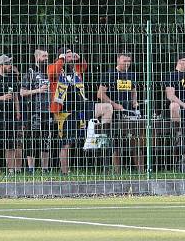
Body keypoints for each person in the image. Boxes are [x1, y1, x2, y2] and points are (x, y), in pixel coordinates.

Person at [49, 47, 113, 175]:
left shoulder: (76, 70)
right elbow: (52, 73)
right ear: (61, 57)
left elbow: (84, 66)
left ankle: (98, 137)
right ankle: (65, 173)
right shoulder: (54, 68)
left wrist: (79, 57)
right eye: (67, 55)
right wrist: (62, 58)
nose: (70, 57)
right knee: (66, 144)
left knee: (107, 108)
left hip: (82, 105)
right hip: (65, 110)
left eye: (71, 55)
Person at [97, 51, 143, 173]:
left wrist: (135, 102)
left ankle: (141, 171)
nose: (127, 64)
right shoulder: (110, 74)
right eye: (124, 61)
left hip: (129, 113)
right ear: (118, 60)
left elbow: (134, 90)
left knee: (136, 140)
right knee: (115, 142)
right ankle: (117, 171)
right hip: (114, 114)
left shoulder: (131, 75)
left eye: (129, 61)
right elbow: (100, 94)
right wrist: (114, 104)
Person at [19, 48, 52, 174]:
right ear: (37, 57)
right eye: (44, 56)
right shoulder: (30, 72)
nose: (46, 58)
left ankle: (45, 169)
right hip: (33, 111)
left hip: (48, 111)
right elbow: (22, 92)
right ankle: (30, 168)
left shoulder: (50, 72)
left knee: (46, 140)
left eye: (47, 56)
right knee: (32, 139)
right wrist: (38, 90)